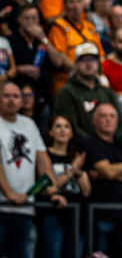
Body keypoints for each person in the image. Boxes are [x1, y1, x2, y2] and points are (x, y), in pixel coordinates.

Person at [0, 80, 59, 258]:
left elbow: (43, 161)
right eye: (6, 96)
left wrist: (51, 188)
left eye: (16, 96)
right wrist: (9, 193)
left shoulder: (29, 125)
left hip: (26, 208)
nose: (11, 100)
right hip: (1, 207)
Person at [82, 103, 122, 258]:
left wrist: (109, 173)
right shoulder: (89, 142)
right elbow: (109, 171)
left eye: (112, 116)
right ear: (94, 121)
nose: (108, 120)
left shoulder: (121, 144)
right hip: (99, 216)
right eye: (103, 116)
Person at [42, 115, 91, 258]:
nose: (62, 130)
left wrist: (77, 170)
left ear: (71, 133)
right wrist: (71, 171)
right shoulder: (44, 155)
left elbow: (87, 191)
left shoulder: (76, 157)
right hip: (53, 214)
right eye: (58, 126)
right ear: (50, 132)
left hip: (76, 216)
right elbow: (48, 186)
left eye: (66, 127)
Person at [48, 0, 105, 95]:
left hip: (92, 82)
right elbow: (61, 59)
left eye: (78, 1)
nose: (75, 6)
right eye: (71, 2)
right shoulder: (58, 27)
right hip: (68, 84)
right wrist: (84, 73)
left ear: (83, 4)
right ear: (65, 5)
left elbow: (101, 56)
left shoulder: (90, 27)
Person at [53, 43, 117, 137]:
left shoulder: (106, 92)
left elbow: (119, 121)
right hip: (81, 146)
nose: (89, 64)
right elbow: (70, 127)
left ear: (98, 63)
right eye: (84, 60)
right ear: (76, 64)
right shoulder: (67, 92)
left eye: (92, 60)